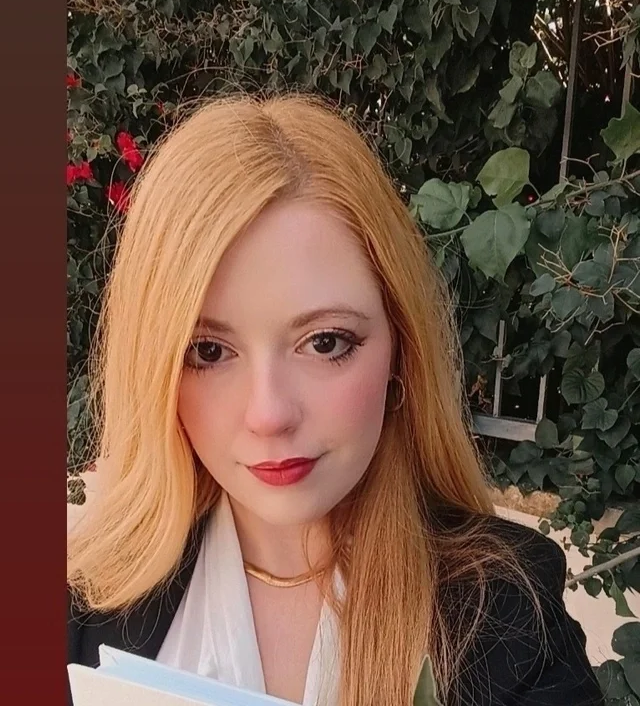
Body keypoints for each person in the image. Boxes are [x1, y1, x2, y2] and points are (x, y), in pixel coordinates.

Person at [66, 93, 604, 706]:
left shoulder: (509, 615)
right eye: (208, 352)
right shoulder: (88, 606)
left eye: (325, 342)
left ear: (401, 348)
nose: (269, 414)